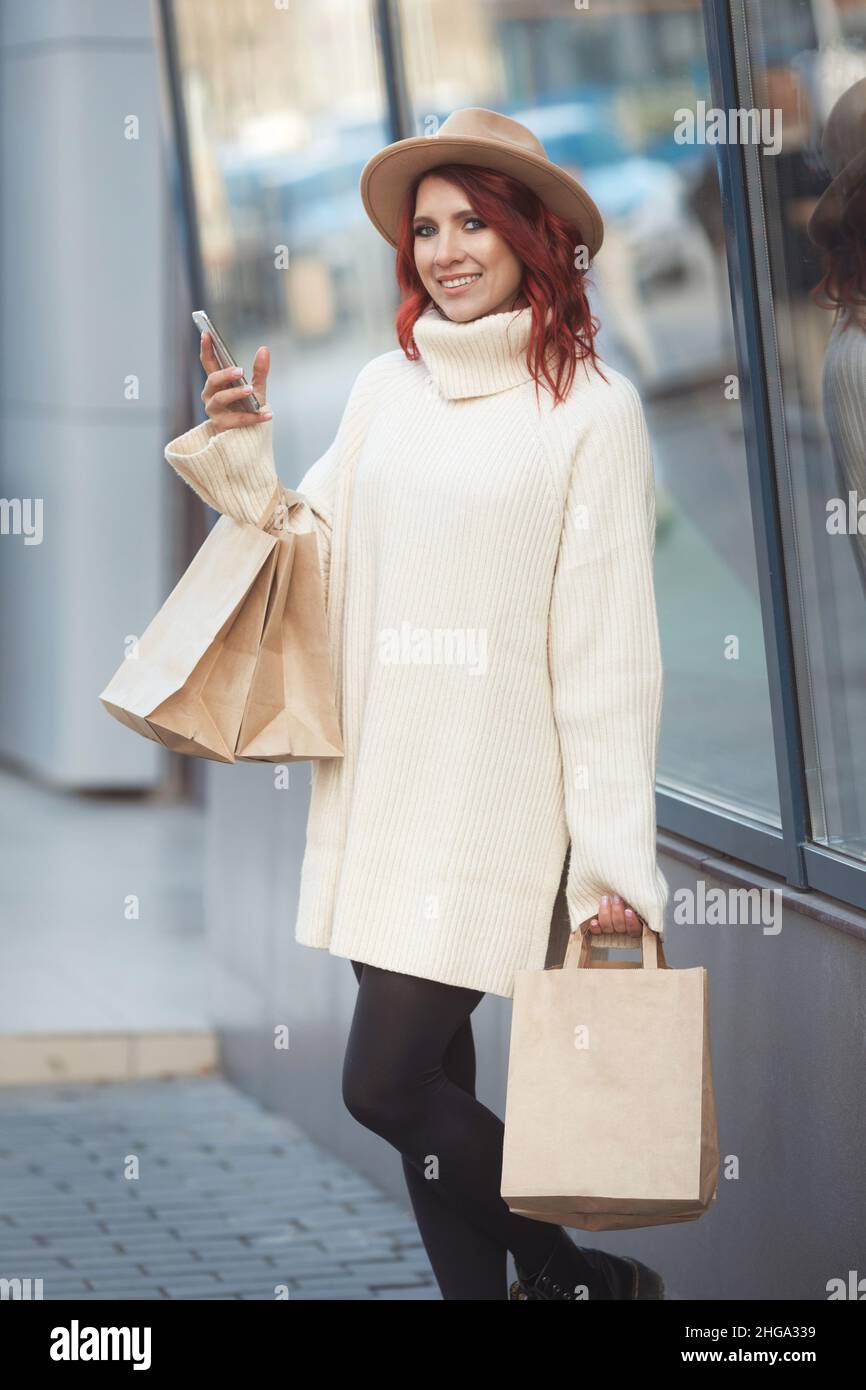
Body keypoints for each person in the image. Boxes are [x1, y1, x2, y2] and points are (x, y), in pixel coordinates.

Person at [165, 107, 669, 1301]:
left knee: (381, 1085)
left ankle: (583, 1276)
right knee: (429, 1092)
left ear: (530, 237)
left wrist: (611, 879)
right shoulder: (387, 393)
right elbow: (304, 548)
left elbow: (606, 661)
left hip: (495, 818)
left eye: (471, 224)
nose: (443, 250)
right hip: (383, 792)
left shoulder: (594, 414)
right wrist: (240, 450)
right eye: (425, 231)